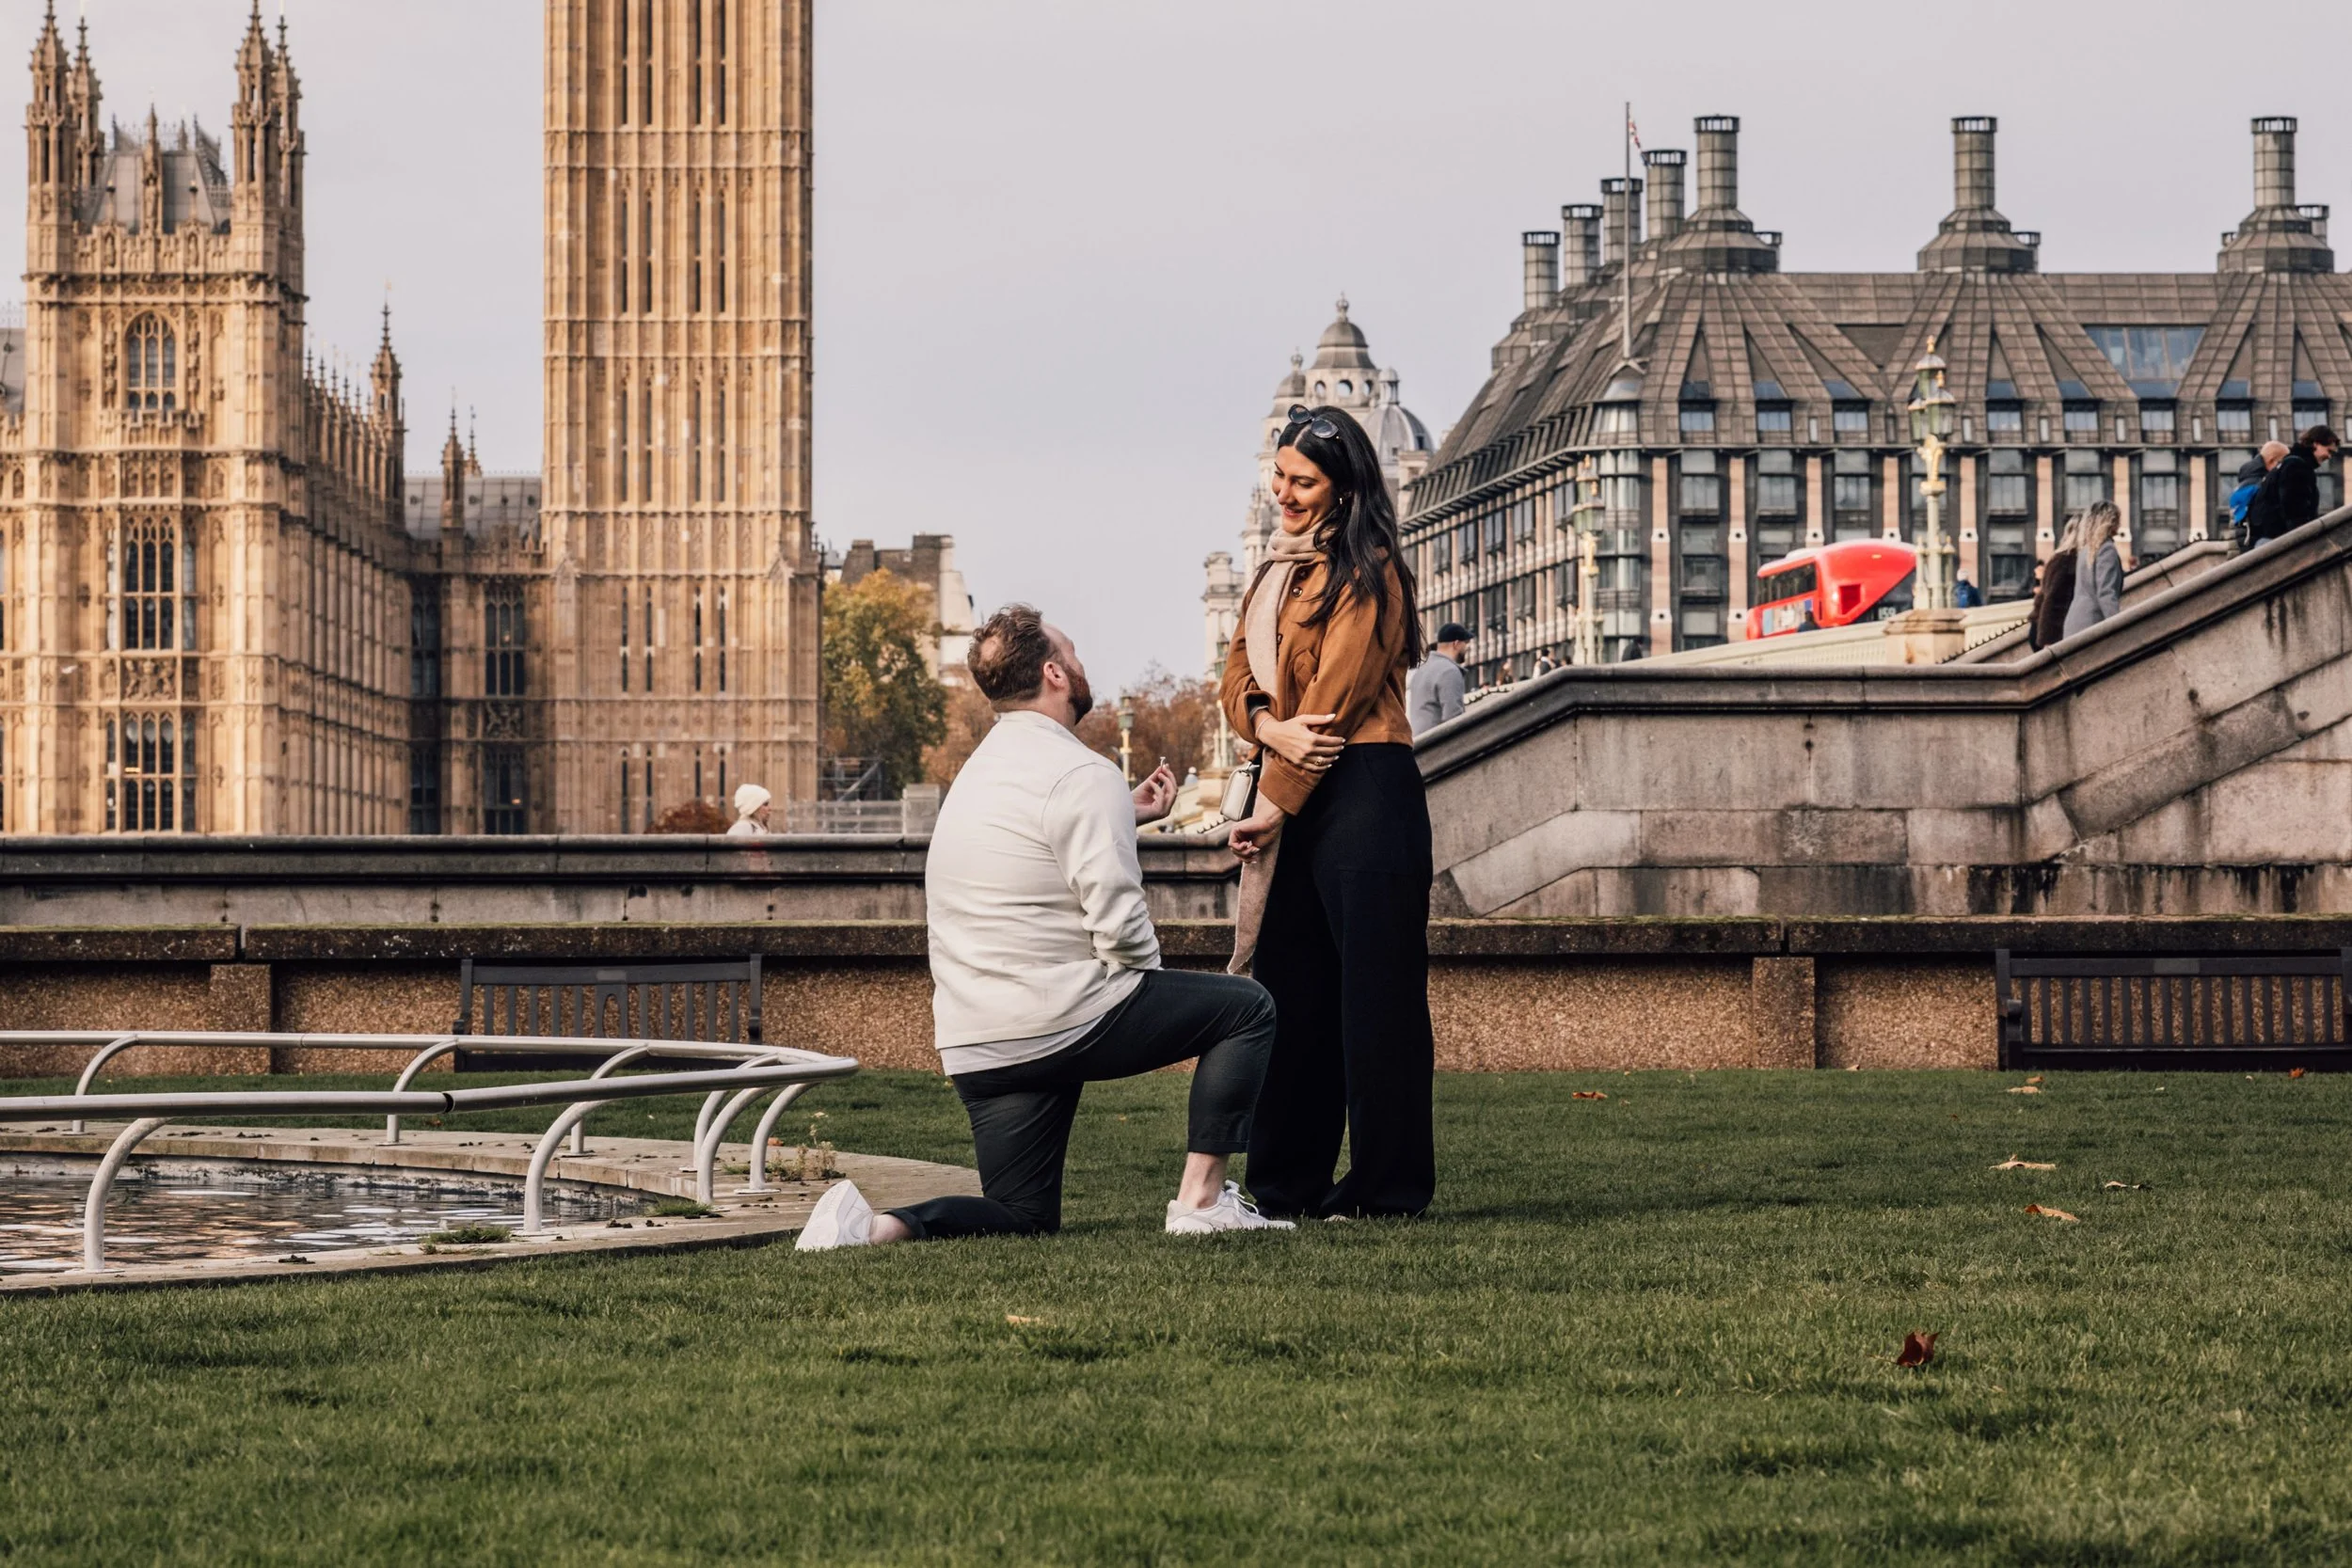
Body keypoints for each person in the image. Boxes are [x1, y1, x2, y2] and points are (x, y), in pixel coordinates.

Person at [798, 605, 1291, 1249]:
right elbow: (1121, 929)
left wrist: (1124, 812)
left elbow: (1027, 850)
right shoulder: (1082, 773)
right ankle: (1201, 1201)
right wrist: (1152, 990)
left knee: (1022, 1211)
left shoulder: (977, 777)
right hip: (1060, 1020)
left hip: (978, 1044)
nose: (1084, 666)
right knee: (1246, 1009)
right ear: (1055, 672)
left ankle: (874, 1229)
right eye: (1076, 653)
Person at [1220, 403, 1437, 1221]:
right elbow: (1235, 682)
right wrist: (1267, 725)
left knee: (1375, 1005)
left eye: (1303, 481)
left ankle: (1387, 1190)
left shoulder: (1370, 569)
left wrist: (1272, 803)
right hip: (1298, 779)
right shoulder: (1274, 573)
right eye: (1279, 476)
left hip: (1365, 791)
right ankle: (1284, 1188)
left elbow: (1336, 705)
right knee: (1292, 998)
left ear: (1344, 490)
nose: (1285, 492)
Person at [2247, 425, 2338, 547]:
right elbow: (2295, 511)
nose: (2329, 456)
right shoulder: (2297, 466)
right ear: (2316, 444)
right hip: (2276, 542)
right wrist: (2305, 542)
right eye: (2329, 451)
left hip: (2268, 539)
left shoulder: (2290, 463)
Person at [2060, 501, 2124, 640]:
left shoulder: (2086, 550)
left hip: (2075, 623)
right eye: (2118, 518)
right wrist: (2119, 625)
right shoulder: (2107, 549)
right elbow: (2106, 592)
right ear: (2111, 521)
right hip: (2093, 623)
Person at [1406, 622, 1471, 736]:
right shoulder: (1449, 671)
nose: (1467, 648)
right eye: (1465, 643)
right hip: (1438, 748)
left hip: (1420, 744)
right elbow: (1454, 720)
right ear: (1456, 644)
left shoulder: (1422, 670)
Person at [2028, 517, 2079, 652]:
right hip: (2047, 633)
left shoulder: (2061, 558)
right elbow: (2052, 599)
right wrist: (2048, 640)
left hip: (2042, 628)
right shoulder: (2066, 560)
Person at [2229, 441, 2288, 544]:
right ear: (2272, 461)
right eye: (2283, 463)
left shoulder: (2246, 482)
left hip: (2245, 541)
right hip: (2258, 542)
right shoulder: (2263, 485)